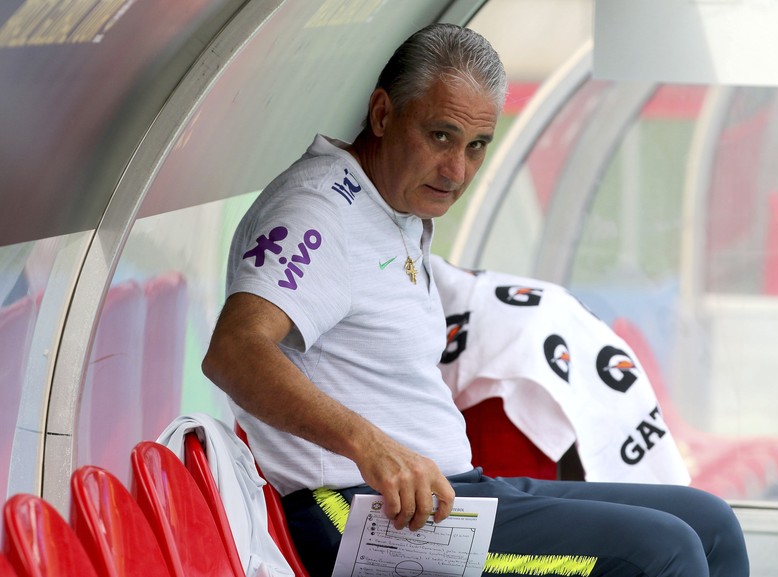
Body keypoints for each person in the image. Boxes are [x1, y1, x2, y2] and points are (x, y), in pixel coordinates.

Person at [202, 23, 750, 577]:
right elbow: (234, 351)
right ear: (383, 114)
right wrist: (369, 445)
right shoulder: (319, 211)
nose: (457, 171)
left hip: (447, 494)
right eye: (440, 136)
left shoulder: (394, 203)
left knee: (710, 523)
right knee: (662, 552)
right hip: (356, 512)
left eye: (477, 146)